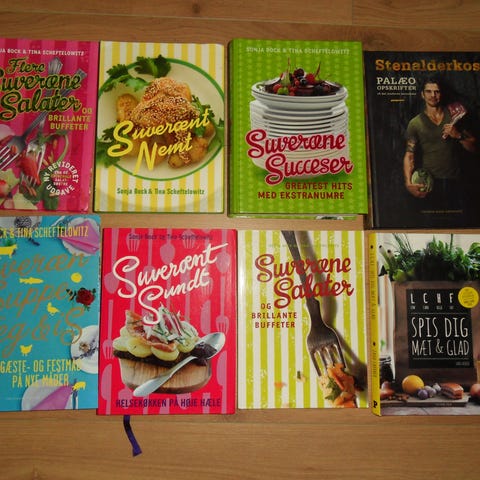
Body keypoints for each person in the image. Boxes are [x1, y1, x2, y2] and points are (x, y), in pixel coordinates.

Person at [403, 77, 477, 222]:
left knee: (459, 223)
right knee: (432, 224)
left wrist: (458, 135)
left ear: (441, 94)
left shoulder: (454, 116)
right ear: (422, 94)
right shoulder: (415, 123)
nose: (433, 95)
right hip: (429, 183)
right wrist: (408, 183)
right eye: (428, 91)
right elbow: (409, 155)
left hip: (456, 182)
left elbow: (474, 147)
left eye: (437, 91)